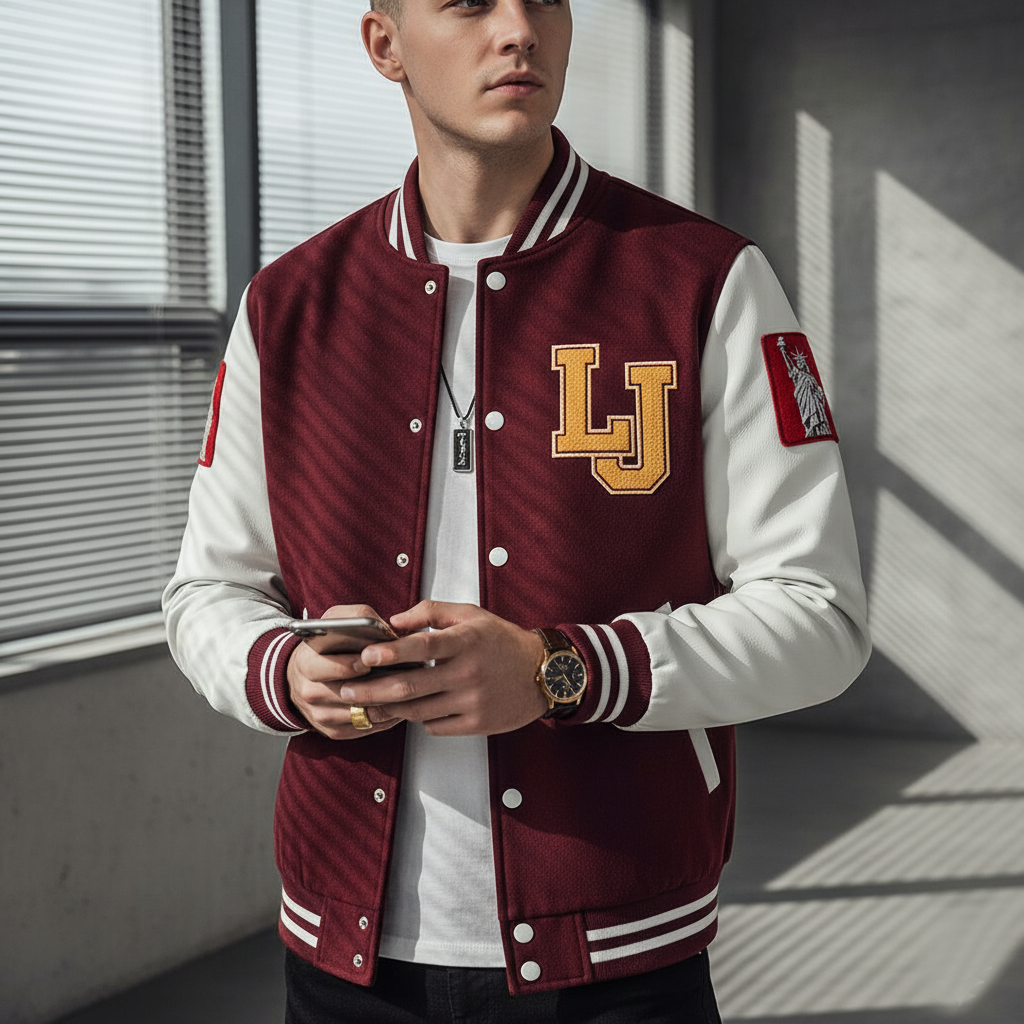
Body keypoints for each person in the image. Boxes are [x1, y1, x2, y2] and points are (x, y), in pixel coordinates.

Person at [163, 1, 871, 1021]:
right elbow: (208, 590)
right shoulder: (288, 306)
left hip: (620, 954)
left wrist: (556, 672)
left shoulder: (704, 281)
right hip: (343, 956)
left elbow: (821, 614)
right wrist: (287, 670)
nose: (518, 31)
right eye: (467, 2)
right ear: (383, 45)